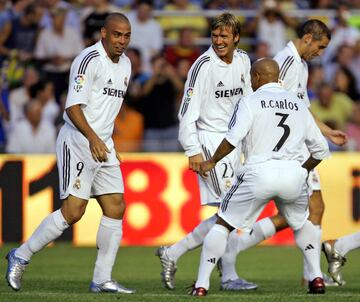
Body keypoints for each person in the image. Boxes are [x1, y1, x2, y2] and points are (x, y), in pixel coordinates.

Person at [5, 12, 136, 294]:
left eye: (126, 36)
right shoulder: (88, 60)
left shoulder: (126, 64)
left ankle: (102, 279)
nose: (122, 41)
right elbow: (73, 107)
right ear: (103, 33)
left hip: (103, 144)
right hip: (78, 140)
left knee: (116, 207)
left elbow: (106, 109)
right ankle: (21, 255)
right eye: (116, 34)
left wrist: (107, 143)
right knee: (73, 212)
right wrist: (93, 139)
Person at [219, 19, 348, 287]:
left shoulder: (300, 64)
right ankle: (308, 273)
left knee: (303, 211)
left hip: (296, 146)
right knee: (309, 209)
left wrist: (325, 131)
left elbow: (301, 106)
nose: (320, 53)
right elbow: (282, 107)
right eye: (320, 47)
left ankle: (237, 247)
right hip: (289, 149)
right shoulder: (285, 63)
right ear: (308, 38)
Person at [189, 58, 331, 296]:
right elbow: (320, 149)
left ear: (256, 78)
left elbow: (232, 139)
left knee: (223, 224)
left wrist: (211, 161)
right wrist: (302, 171)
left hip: (258, 172)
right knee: (302, 222)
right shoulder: (297, 103)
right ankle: (316, 278)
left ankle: (202, 284)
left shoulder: (250, 101)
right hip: (292, 173)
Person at [156, 12, 257, 291]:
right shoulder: (202, 65)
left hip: (235, 144)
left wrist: (251, 142)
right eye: (215, 36)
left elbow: (248, 104)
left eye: (224, 36)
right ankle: (227, 276)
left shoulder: (243, 59)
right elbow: (186, 112)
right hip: (210, 143)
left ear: (236, 37)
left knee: (231, 211)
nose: (219, 41)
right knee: (230, 210)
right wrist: (192, 150)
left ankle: (172, 253)